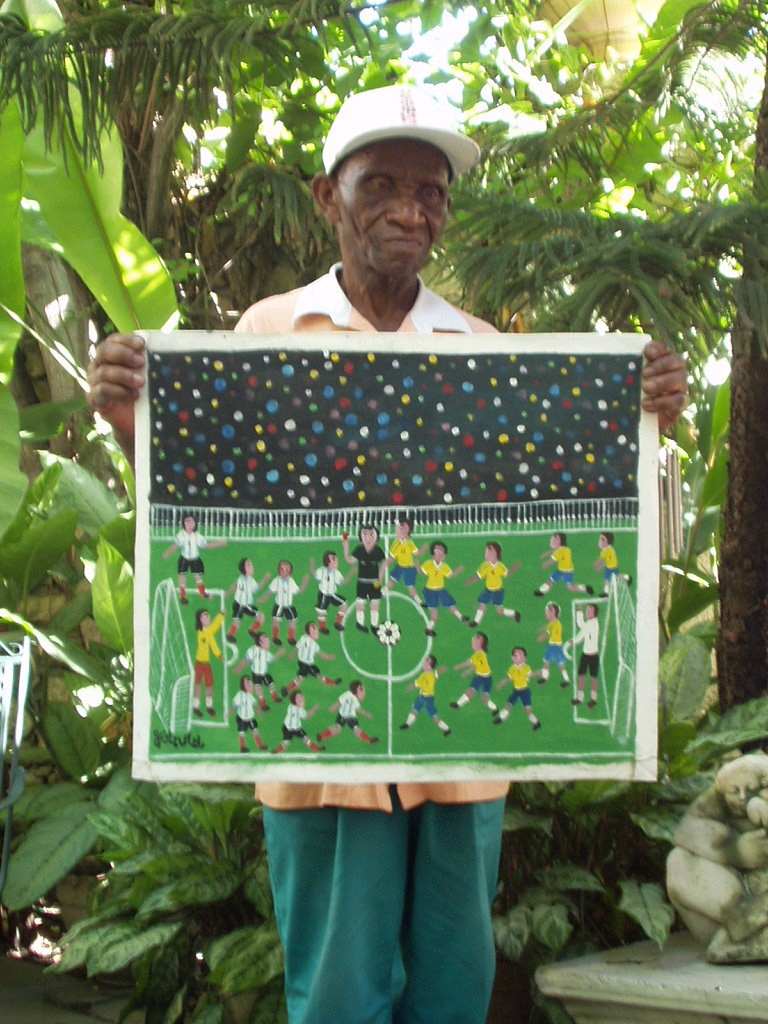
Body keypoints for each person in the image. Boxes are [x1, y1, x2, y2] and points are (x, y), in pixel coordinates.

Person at [88, 83, 688, 1024]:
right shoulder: (262, 336)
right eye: (383, 185)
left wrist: (644, 411)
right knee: (338, 995)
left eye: (431, 191)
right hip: (322, 758)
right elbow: (200, 510)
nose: (411, 209)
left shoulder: (484, 350)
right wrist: (135, 425)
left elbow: (579, 507)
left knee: (452, 990)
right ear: (327, 196)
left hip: (461, 753)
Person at [666, 753, 768, 959]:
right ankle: (745, 923)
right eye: (734, 791)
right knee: (678, 860)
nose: (742, 797)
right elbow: (687, 829)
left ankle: (749, 927)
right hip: (738, 905)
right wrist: (736, 850)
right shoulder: (737, 776)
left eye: (750, 790)